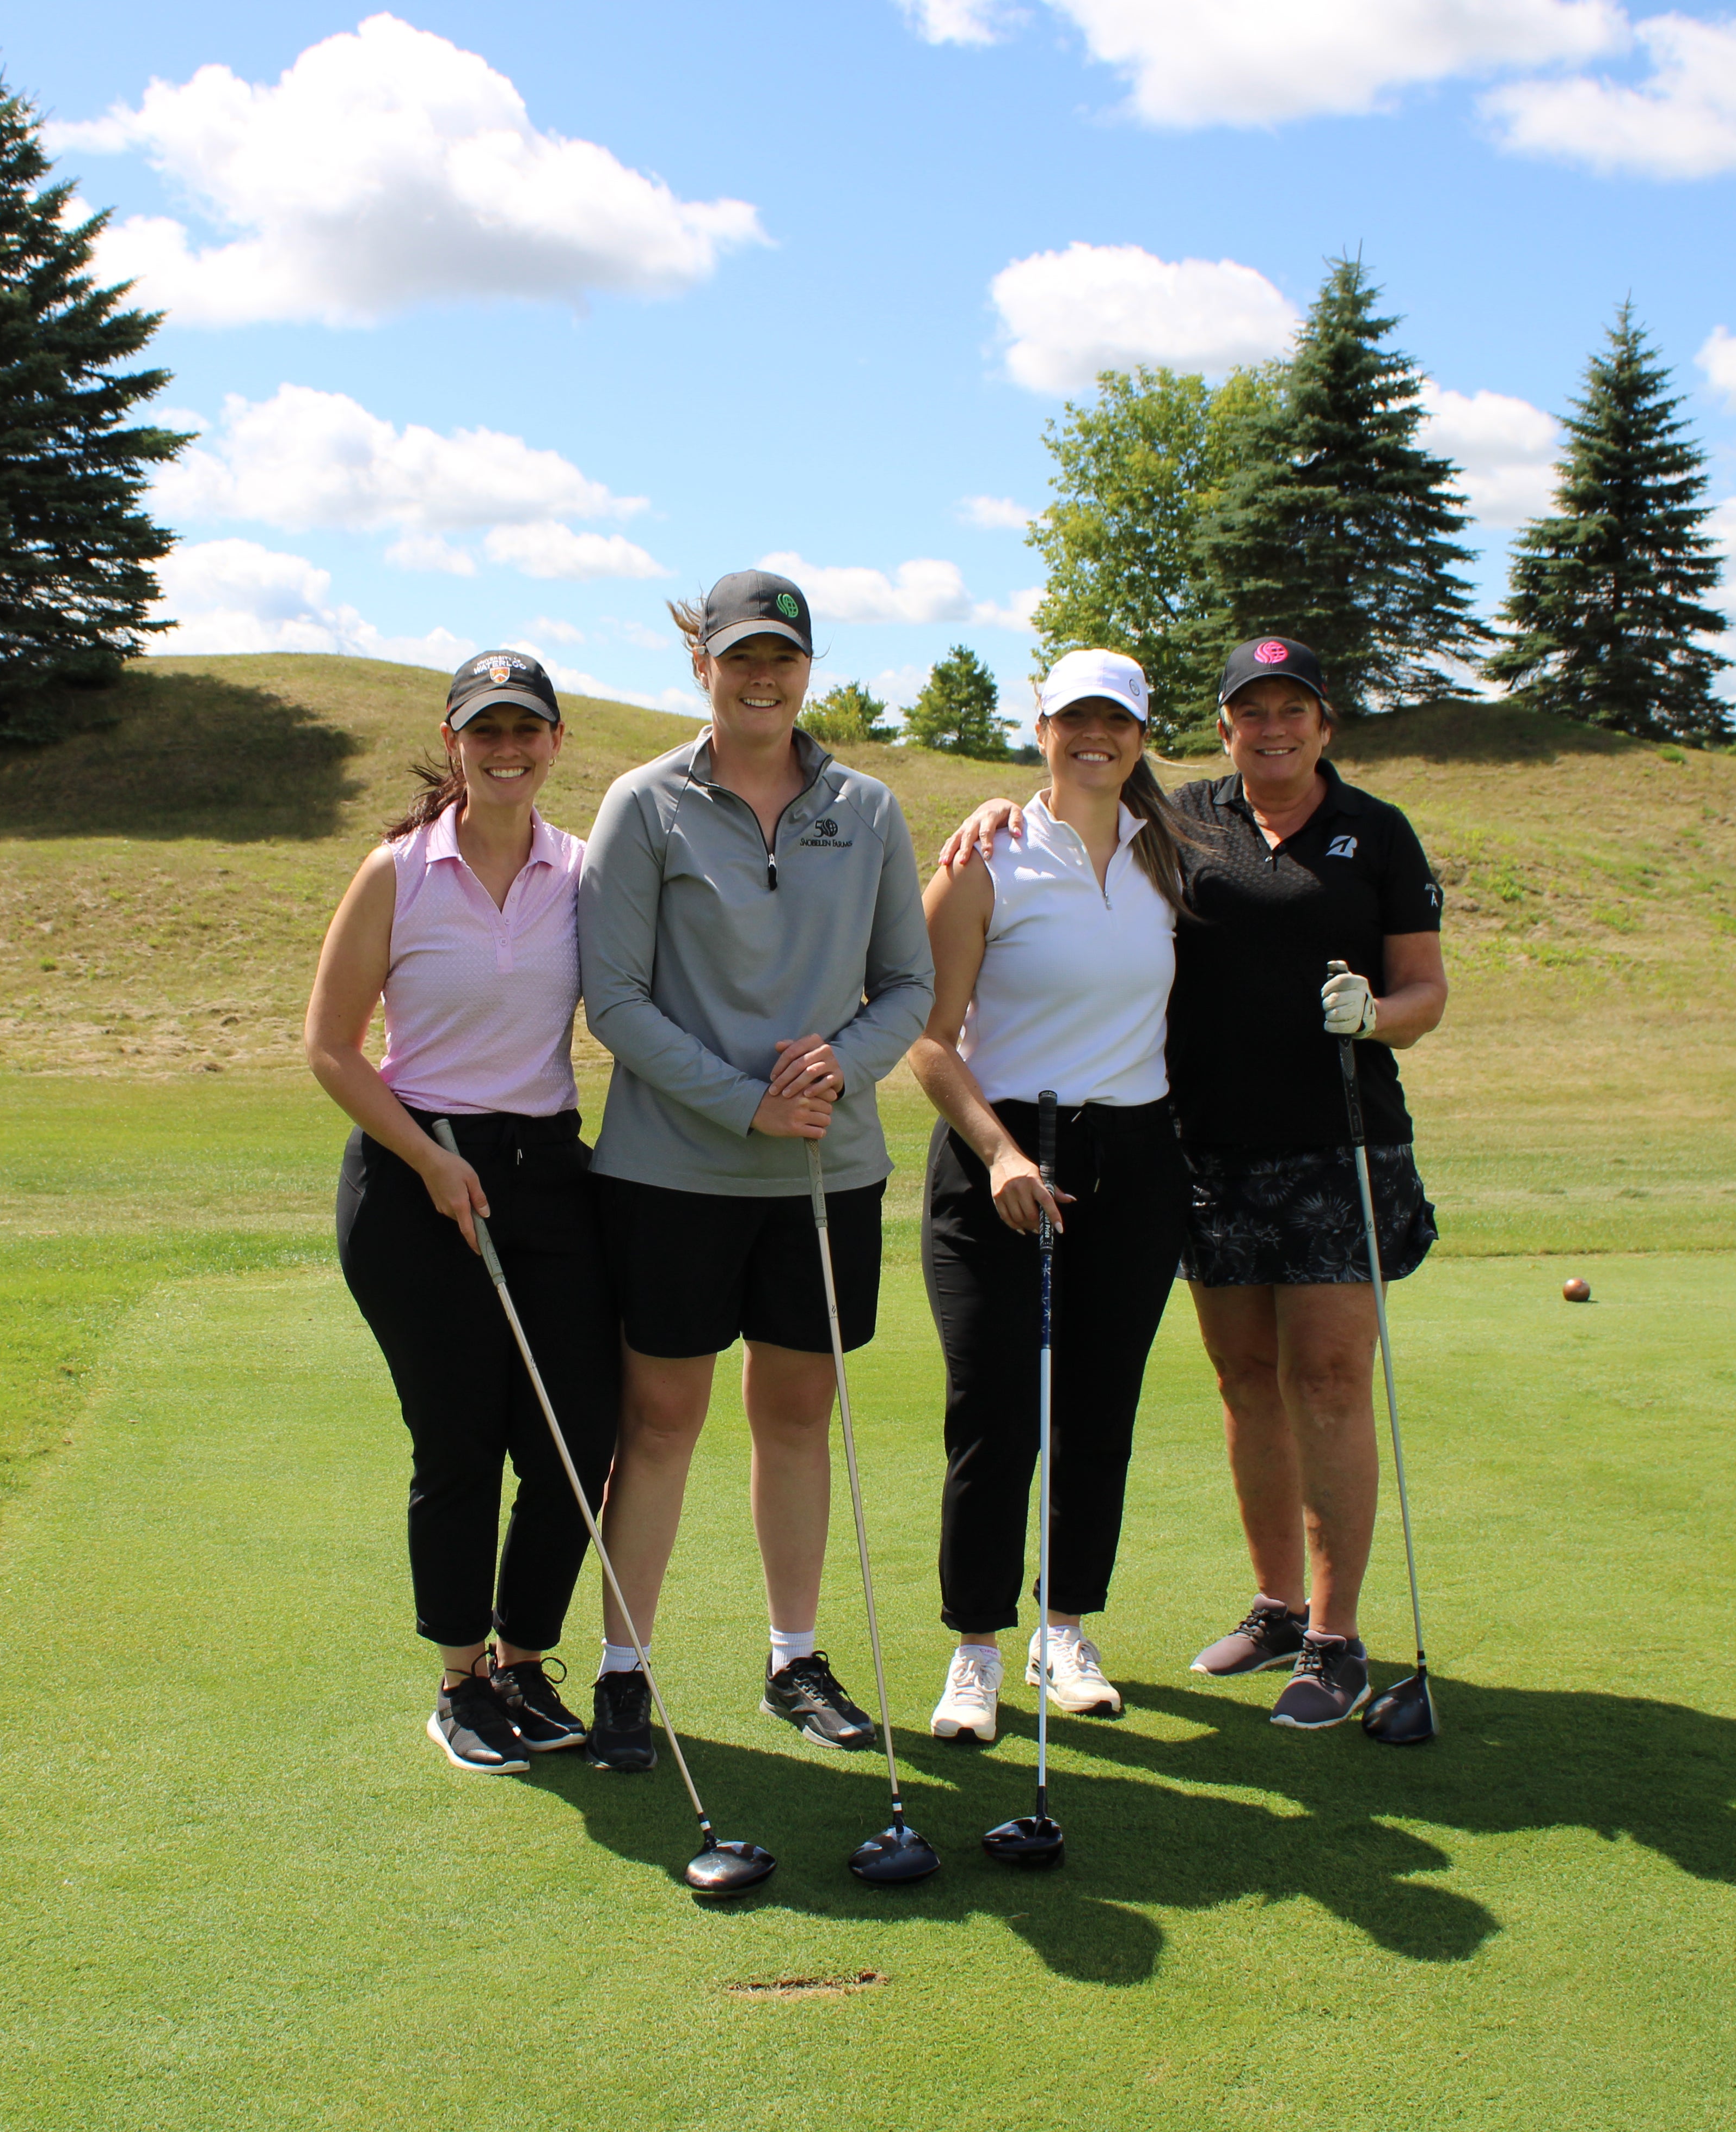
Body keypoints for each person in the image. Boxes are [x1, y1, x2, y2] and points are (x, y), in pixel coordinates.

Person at [937, 633, 1449, 1728]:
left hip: (1328, 1145)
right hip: (1200, 1148)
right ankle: (1273, 1606)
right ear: (1219, 728)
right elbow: (1058, 826)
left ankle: (1333, 1631)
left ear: (1326, 720)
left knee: (1324, 1380)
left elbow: (1425, 991)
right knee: (1243, 1382)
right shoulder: (1187, 824)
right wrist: (993, 809)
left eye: (1293, 708)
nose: (1274, 727)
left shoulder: (1371, 833)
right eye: (1251, 710)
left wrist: (1378, 1016)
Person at [574, 569, 934, 1771]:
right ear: (703, 667)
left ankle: (795, 1654)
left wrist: (832, 1077)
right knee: (661, 1417)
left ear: (808, 666)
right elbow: (614, 1000)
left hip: (825, 1176)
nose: (761, 676)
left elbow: (911, 988)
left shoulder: (870, 809)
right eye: (739, 657)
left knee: (797, 1413)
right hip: (672, 1172)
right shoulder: (645, 804)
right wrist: (747, 1105)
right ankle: (625, 1670)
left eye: (781, 656)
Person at [305, 650, 615, 1775]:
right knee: (461, 1440)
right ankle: (459, 1677)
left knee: (580, 1435)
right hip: (411, 1176)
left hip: (546, 1170)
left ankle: (524, 1663)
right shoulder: (397, 871)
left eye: (526, 729)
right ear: (454, 742)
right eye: (485, 730)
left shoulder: (583, 869)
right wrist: (430, 1162)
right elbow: (330, 1047)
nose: (506, 749)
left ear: (556, 742)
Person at [904, 649, 1191, 1744]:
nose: (1095, 736)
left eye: (1114, 720)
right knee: (993, 1416)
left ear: (1139, 734)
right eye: (1076, 718)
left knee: (1096, 1413)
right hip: (1001, 1163)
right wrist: (1000, 1152)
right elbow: (927, 1043)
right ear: (1042, 729)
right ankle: (975, 1648)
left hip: (1135, 1161)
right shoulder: (987, 857)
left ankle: (1063, 1630)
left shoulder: (1171, 853)